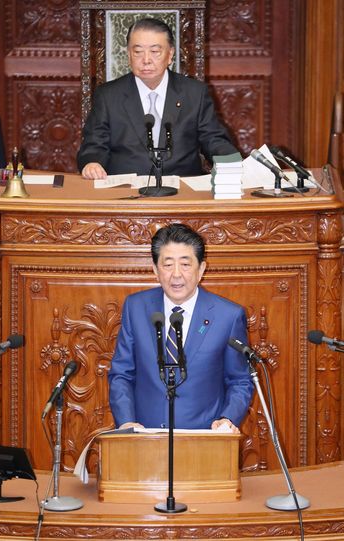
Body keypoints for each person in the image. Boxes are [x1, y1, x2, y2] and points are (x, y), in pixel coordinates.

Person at [109, 223, 253, 432]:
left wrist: (227, 418)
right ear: (155, 270)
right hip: (144, 438)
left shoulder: (227, 316)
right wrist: (126, 422)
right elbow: (121, 374)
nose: (176, 274)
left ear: (201, 269)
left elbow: (240, 380)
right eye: (167, 265)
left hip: (202, 439)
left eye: (185, 264)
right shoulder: (136, 307)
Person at [77, 17, 239, 180]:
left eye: (155, 52)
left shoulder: (194, 93)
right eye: (138, 52)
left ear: (170, 54)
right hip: (125, 192)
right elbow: (94, 144)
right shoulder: (108, 95)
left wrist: (232, 164)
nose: (146, 60)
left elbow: (213, 139)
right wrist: (92, 162)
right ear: (128, 55)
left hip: (182, 190)